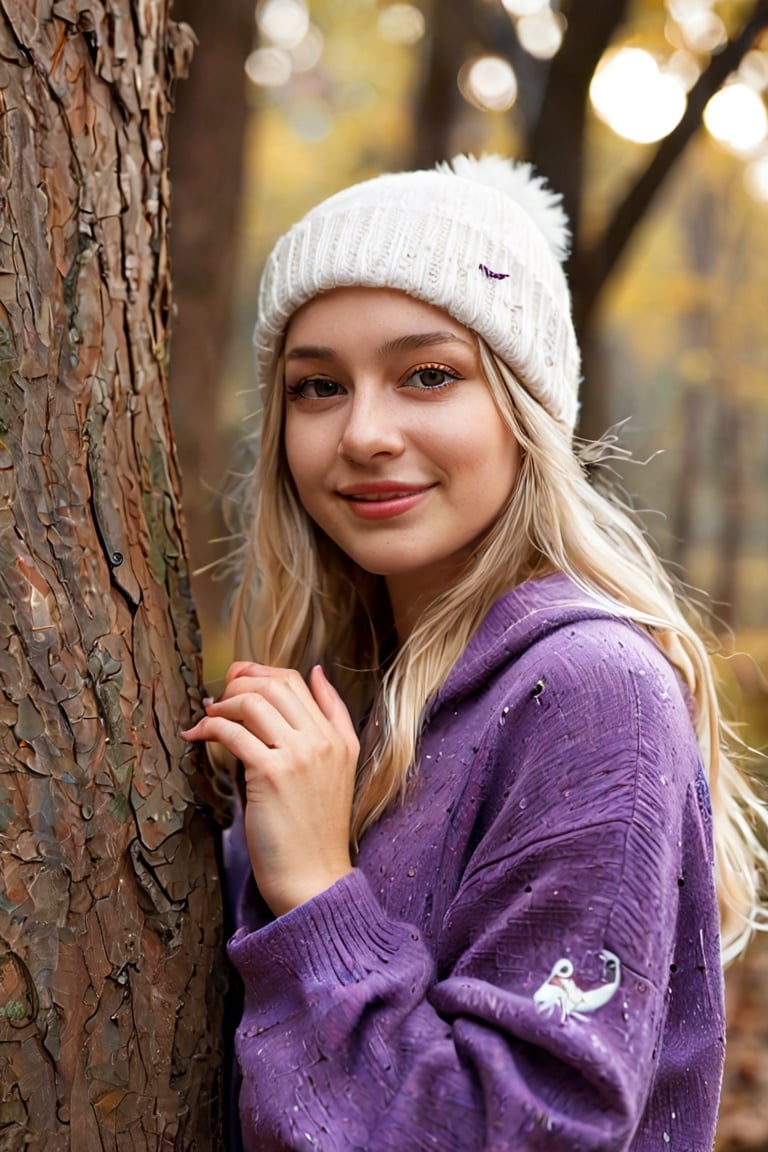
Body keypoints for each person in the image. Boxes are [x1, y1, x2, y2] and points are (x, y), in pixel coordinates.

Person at [182, 154, 768, 1151]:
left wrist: (322, 897)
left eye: (429, 375)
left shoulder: (593, 694)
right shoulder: (355, 691)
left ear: (524, 407)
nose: (363, 432)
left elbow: (526, 1130)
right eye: (319, 386)